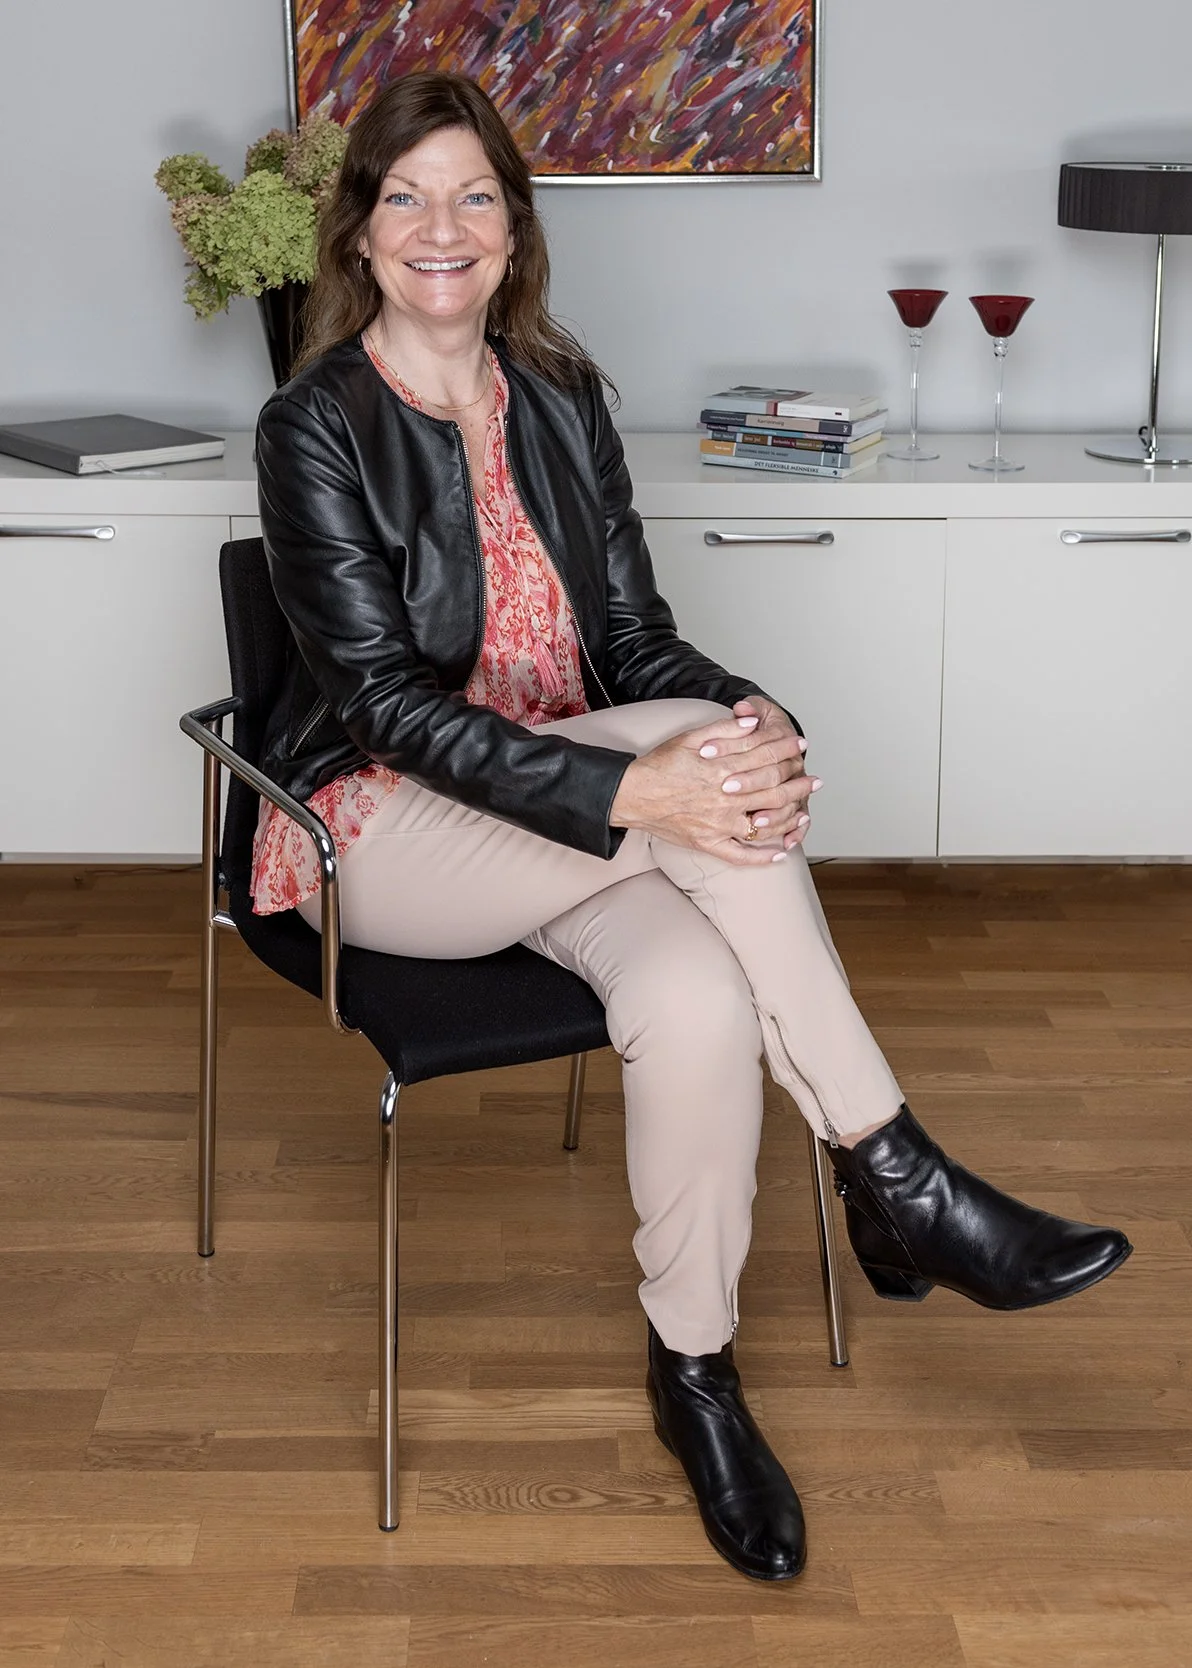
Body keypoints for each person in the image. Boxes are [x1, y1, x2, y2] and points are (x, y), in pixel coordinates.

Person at [252, 70, 1132, 1582]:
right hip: (382, 836)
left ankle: (698, 1371)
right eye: (406, 196)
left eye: (473, 195)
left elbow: (638, 642)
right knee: (691, 764)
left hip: (587, 820)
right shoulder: (313, 426)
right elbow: (386, 707)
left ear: (516, 229)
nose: (440, 226)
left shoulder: (567, 399)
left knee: (701, 997)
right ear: (361, 231)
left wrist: (749, 713)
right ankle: (895, 1172)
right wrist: (646, 778)